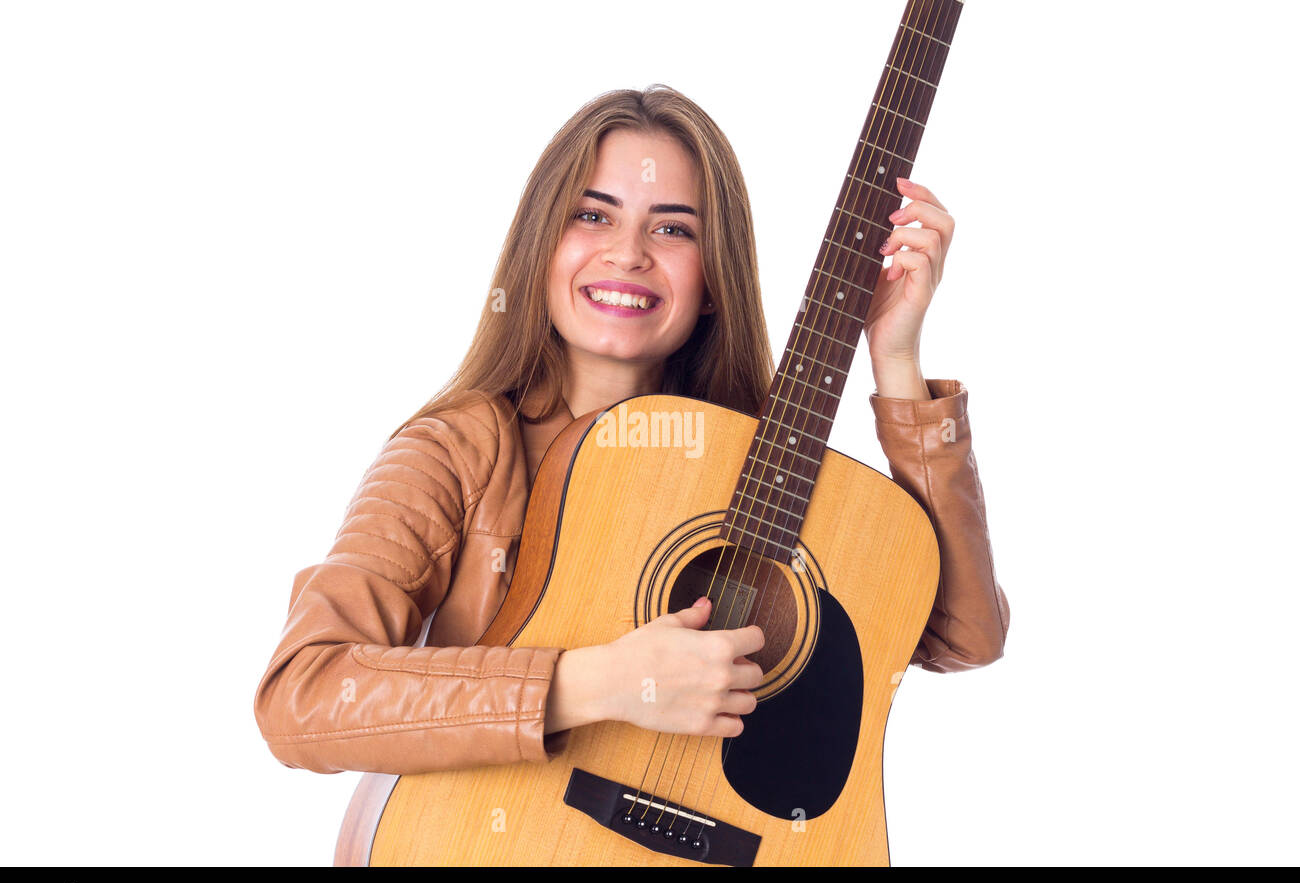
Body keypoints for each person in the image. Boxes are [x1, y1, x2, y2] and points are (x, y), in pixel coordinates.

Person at [253, 84, 1010, 777]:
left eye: (673, 229)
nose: (627, 252)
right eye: (593, 215)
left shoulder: (763, 474)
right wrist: (597, 681)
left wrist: (898, 361)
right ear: (540, 248)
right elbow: (304, 696)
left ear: (715, 280)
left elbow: (960, 637)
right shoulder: (460, 449)